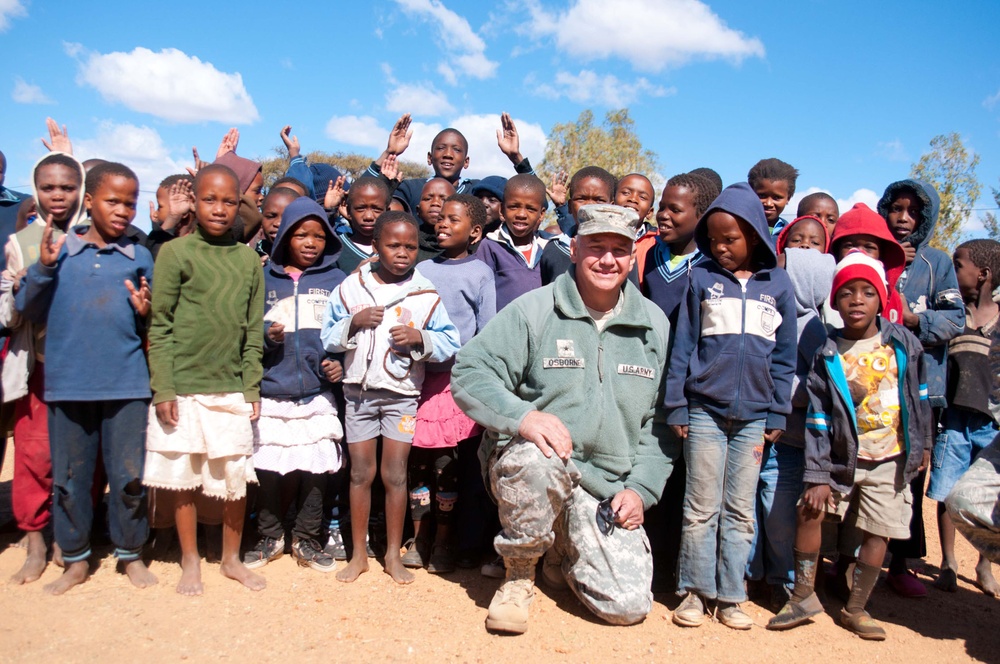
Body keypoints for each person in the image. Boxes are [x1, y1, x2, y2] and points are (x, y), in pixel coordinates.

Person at [452, 204, 675, 633]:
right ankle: (519, 574)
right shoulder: (534, 310)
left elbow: (659, 422)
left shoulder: (654, 325)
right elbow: (470, 371)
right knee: (536, 459)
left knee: (627, 606)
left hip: (605, 486)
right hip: (539, 468)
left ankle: (558, 551)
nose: (607, 260)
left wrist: (640, 490)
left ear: (632, 258)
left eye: (619, 250)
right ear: (574, 249)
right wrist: (523, 417)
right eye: (595, 247)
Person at [768, 252, 932, 640]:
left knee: (878, 531)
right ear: (834, 301)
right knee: (810, 512)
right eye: (846, 293)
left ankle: (856, 607)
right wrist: (818, 474)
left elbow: (920, 397)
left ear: (882, 299)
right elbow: (818, 419)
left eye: (867, 293)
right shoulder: (827, 354)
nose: (856, 300)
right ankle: (803, 596)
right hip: (843, 457)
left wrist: (924, 443)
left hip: (891, 459)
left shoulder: (904, 344)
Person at [15, 162, 155, 594]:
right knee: (71, 478)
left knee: (129, 476)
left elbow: (150, 323)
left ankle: (131, 553)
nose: (123, 211)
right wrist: (42, 269)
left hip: (126, 384)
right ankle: (75, 558)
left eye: (130, 203)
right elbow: (26, 308)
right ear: (89, 201)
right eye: (113, 201)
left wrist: (145, 313)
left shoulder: (138, 255)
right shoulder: (60, 251)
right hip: (69, 383)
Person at [666, 182, 796, 630]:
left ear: (755, 235)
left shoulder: (778, 285)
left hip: (755, 418)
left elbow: (785, 358)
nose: (720, 247)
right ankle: (694, 592)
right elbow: (682, 346)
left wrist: (778, 411)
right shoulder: (701, 279)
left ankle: (731, 596)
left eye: (730, 239)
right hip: (704, 411)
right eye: (713, 239)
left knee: (740, 510)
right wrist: (677, 404)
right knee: (700, 506)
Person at [143, 163, 266, 596]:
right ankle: (190, 558)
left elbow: (253, 330)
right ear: (194, 202)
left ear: (239, 206)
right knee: (184, 475)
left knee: (234, 474)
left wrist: (251, 385)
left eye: (229, 201)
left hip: (230, 385)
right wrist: (163, 387)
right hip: (182, 384)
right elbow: (160, 326)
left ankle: (231, 559)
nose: (219, 209)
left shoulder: (247, 260)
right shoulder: (175, 253)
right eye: (210, 199)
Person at [321, 210, 460, 585]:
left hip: (402, 396)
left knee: (395, 475)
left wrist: (420, 339)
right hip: (359, 395)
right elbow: (327, 334)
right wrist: (353, 322)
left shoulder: (425, 294)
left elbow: (450, 341)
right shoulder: (351, 288)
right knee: (360, 473)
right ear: (376, 246)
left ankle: (392, 555)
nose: (402, 253)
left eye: (410, 247)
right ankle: (358, 555)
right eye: (393, 245)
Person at [243, 197, 348, 573]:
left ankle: (307, 538)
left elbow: (346, 334)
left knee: (316, 471)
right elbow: (245, 329)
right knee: (269, 470)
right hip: (272, 390)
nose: (310, 242)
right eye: (301, 234)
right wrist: (266, 336)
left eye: (318, 236)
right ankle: (270, 536)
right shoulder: (264, 278)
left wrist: (338, 364)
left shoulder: (336, 281)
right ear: (285, 235)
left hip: (317, 395)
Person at [0, 150, 87, 585]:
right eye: (48, 187)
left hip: (88, 371)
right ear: (35, 191)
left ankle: (68, 540)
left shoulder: (95, 236)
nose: (58, 195)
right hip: (40, 368)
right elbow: (8, 311)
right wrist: (23, 285)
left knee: (80, 460)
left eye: (68, 187)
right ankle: (35, 541)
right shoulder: (21, 242)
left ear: (81, 190)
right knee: (34, 455)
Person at [877, 179, 964, 597]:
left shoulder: (937, 263)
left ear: (926, 219)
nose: (903, 218)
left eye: (913, 212)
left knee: (910, 473)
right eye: (896, 208)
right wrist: (888, 266)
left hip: (921, 386)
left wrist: (914, 320)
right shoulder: (873, 254)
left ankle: (899, 563)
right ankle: (849, 559)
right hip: (874, 383)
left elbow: (954, 319)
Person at [401, 194, 495, 573]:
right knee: (417, 465)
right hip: (417, 382)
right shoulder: (422, 269)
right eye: (440, 217)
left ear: (475, 232)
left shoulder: (480, 273)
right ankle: (419, 537)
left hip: (455, 387)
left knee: (449, 468)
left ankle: (444, 541)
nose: (442, 223)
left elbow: (486, 332)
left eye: (453, 220)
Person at [747, 214, 836, 609]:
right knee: (749, 507)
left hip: (791, 439)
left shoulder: (815, 327)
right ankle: (751, 574)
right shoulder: (769, 309)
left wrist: (775, 392)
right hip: (758, 428)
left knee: (778, 512)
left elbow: (815, 387)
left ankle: (782, 579)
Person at [928, 239, 1000, 595]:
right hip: (953, 421)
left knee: (982, 499)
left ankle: (985, 563)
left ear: (983, 274)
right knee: (948, 490)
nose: (952, 271)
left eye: (958, 265)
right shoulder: (953, 317)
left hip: (992, 426)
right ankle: (949, 562)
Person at [364, 113, 535, 213]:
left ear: (466, 162)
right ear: (429, 158)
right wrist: (389, 152)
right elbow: (361, 199)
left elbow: (536, 198)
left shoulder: (477, 191)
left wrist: (516, 158)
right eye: (441, 148)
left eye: (456, 150)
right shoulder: (411, 188)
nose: (448, 154)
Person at [476, 174, 550, 309]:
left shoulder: (548, 248)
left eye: (530, 209)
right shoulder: (490, 246)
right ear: (502, 211)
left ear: (541, 214)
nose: (521, 214)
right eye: (514, 207)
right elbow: (480, 297)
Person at [539, 167, 615, 286]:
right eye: (581, 199)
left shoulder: (622, 252)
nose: (589, 206)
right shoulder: (554, 250)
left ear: (612, 206)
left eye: (599, 200)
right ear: (569, 206)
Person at [337, 176, 390, 275]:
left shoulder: (398, 248)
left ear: (387, 212)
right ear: (348, 211)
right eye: (360, 208)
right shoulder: (336, 248)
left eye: (376, 209)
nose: (368, 216)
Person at [747, 158, 798, 236]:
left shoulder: (791, 235)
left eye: (776, 198)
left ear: (788, 198)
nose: (768, 203)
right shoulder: (739, 229)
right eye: (762, 196)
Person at [414, 177, 456, 262]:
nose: (435, 203)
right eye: (428, 199)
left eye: (444, 199)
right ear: (418, 210)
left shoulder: (462, 245)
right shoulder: (408, 240)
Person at [254, 187, 300, 264]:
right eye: (270, 217)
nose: (278, 223)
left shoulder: (311, 258)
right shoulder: (252, 255)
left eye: (286, 217)